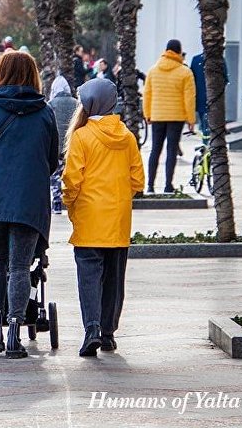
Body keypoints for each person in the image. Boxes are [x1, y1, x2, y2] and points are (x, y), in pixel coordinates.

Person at [0, 51, 59, 358]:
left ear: (0, 72)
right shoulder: (44, 112)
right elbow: (53, 159)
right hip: (29, 199)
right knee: (20, 266)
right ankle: (15, 334)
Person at [62, 78, 144, 356]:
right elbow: (138, 179)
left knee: (89, 276)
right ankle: (108, 334)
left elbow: (72, 179)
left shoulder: (82, 136)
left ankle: (92, 329)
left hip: (88, 218)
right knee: (114, 279)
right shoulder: (128, 137)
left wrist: (69, 204)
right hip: (118, 220)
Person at [143, 39, 196, 193]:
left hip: (157, 116)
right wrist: (191, 119)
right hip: (176, 117)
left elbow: (147, 94)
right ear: (179, 52)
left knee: (155, 150)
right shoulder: (185, 72)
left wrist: (147, 114)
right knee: (172, 150)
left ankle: (150, 185)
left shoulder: (153, 70)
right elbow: (189, 98)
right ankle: (168, 185)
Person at [49, 75, 78, 214]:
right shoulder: (76, 103)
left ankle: (57, 204)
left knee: (55, 176)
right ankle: (72, 202)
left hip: (56, 146)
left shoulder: (51, 104)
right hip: (71, 145)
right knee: (71, 174)